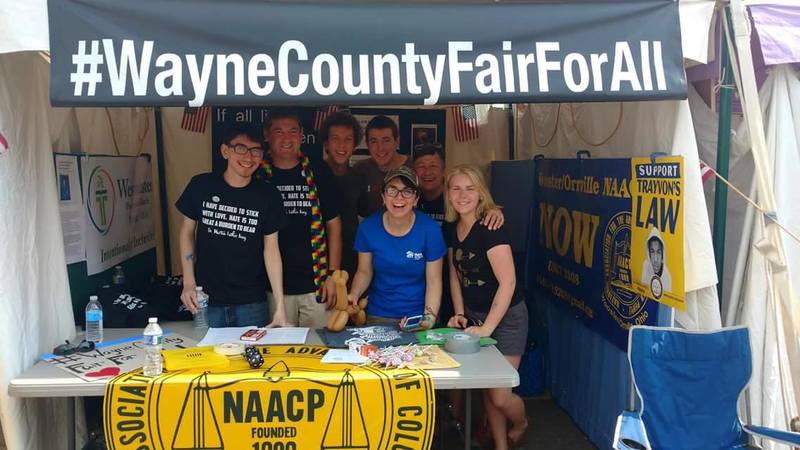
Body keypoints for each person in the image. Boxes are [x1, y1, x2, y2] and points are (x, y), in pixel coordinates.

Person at [444, 165, 528, 450]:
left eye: (470, 188)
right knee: (489, 391)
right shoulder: (452, 228)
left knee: (501, 395)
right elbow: (455, 275)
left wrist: (488, 328)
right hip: (476, 316)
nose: (463, 195)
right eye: (456, 188)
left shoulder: (492, 228)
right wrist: (459, 313)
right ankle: (501, 446)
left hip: (506, 319)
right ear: (448, 194)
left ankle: (521, 423)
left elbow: (508, 282)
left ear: (481, 193)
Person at [176, 122, 289, 327]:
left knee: (251, 358)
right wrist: (189, 281)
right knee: (208, 357)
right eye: (241, 148)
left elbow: (272, 250)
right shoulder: (201, 186)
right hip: (206, 299)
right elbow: (186, 233)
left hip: (252, 302)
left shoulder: (268, 195)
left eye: (255, 151)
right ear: (225, 151)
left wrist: (280, 306)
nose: (248, 157)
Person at [258, 108, 343, 328]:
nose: (287, 138)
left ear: (302, 134)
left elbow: (333, 225)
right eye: (279, 131)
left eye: (293, 131)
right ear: (267, 135)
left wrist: (332, 275)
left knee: (319, 352)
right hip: (271, 288)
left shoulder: (318, 170)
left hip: (316, 286)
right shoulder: (257, 174)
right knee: (279, 354)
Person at [348, 166, 446, 327]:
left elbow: (434, 280)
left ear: (416, 199)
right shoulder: (368, 227)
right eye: (392, 190)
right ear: (383, 196)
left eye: (407, 191)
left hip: (417, 317)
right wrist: (354, 294)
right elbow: (364, 271)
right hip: (378, 315)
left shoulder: (430, 230)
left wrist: (429, 318)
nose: (399, 197)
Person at [320, 111, 363, 277]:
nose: (341, 146)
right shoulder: (313, 175)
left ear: (355, 145)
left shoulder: (358, 177)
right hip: (318, 260)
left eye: (347, 140)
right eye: (335, 139)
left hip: (352, 261)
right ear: (326, 143)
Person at [355, 115, 412, 217]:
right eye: (374, 141)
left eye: (386, 140)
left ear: (397, 141)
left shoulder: (414, 167)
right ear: (367, 144)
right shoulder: (360, 169)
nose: (380, 148)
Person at [641, 227, 672, 294]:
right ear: (648, 253)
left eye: (658, 252)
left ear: (663, 255)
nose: (655, 259)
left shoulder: (667, 277)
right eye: (652, 252)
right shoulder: (645, 267)